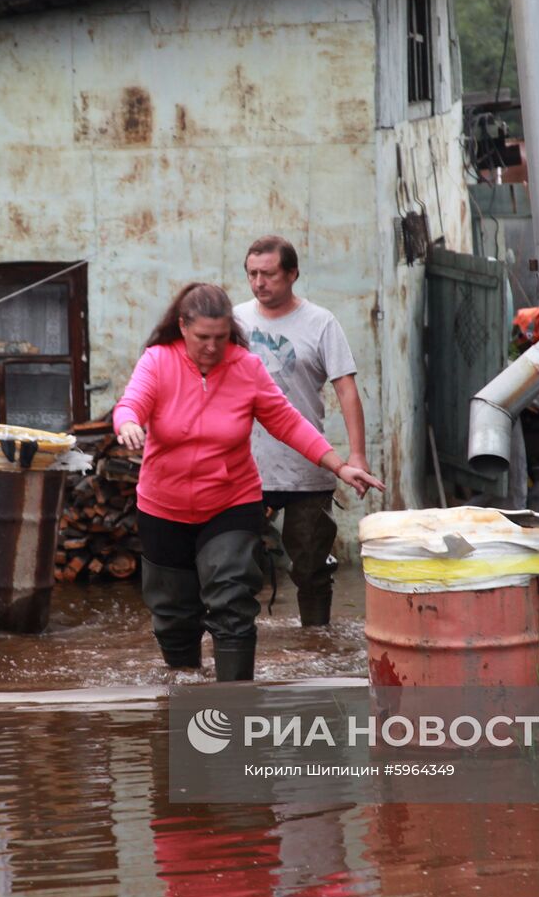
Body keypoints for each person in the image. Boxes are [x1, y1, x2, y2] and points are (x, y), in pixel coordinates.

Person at [114, 283, 383, 681]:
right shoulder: (157, 361)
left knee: (233, 599)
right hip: (163, 504)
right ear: (183, 327)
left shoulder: (246, 367)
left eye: (221, 338)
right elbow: (130, 403)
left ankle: (236, 704)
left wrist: (338, 465)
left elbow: (288, 422)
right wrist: (129, 424)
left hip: (230, 501)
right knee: (172, 614)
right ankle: (181, 690)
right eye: (203, 337)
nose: (211, 347)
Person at [234, 235, 371, 627]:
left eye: (269, 274)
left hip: (306, 466)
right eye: (252, 274)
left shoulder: (320, 322)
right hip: (245, 468)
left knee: (311, 568)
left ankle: (317, 643)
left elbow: (345, 388)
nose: (260, 283)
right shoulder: (235, 321)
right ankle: (239, 650)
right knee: (234, 568)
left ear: (292, 274)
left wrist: (356, 455)